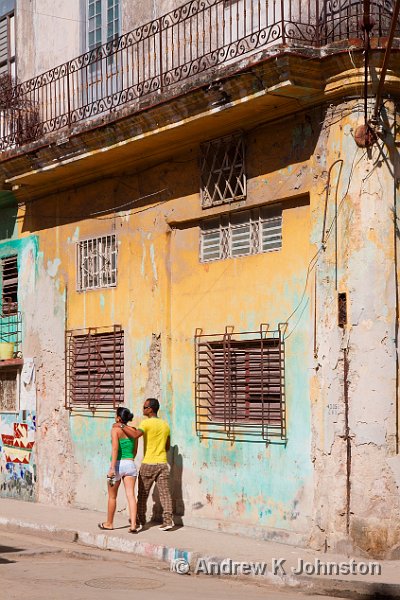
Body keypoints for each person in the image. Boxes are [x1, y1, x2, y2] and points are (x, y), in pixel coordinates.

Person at [123, 398, 173, 531]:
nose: (143, 409)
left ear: (150, 409)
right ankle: (168, 521)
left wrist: (121, 425)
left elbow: (135, 435)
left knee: (142, 494)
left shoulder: (146, 424)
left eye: (145, 407)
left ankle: (140, 520)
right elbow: (167, 446)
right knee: (165, 494)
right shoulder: (165, 425)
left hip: (148, 464)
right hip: (162, 463)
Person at [98, 406, 142, 533]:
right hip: (130, 464)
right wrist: (130, 460)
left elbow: (115, 449)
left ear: (118, 418)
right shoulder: (134, 431)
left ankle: (109, 523)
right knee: (131, 495)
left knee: (112, 497)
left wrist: (112, 468)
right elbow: (134, 451)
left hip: (117, 465)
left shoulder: (115, 430)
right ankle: (133, 525)